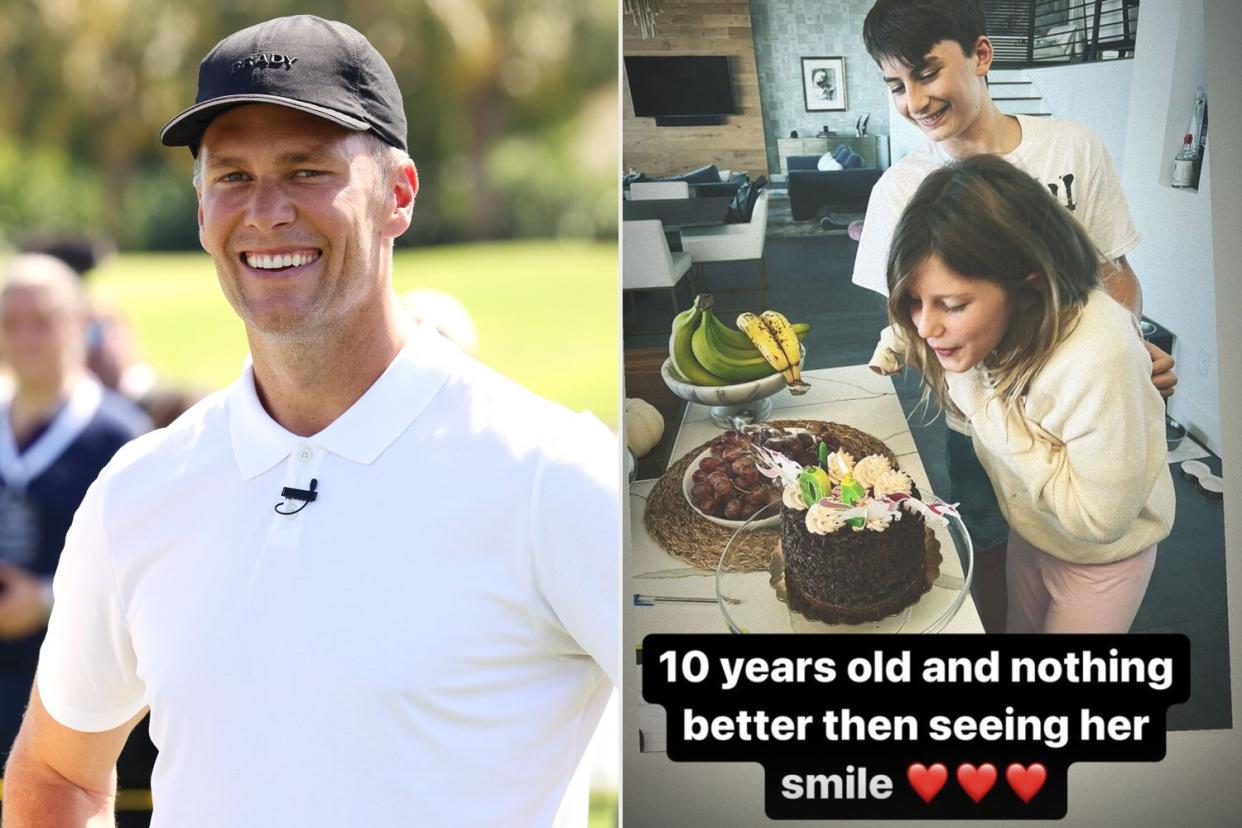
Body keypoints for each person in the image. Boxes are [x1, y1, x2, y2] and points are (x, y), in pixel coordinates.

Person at [3, 15, 618, 828]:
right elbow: (57, 774)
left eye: (305, 171)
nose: (265, 212)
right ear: (199, 210)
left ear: (398, 196)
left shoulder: (552, 473)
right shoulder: (139, 490)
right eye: (231, 177)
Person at [854, 0, 1176, 633]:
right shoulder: (900, 189)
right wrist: (968, 388)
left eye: (926, 73)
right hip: (976, 414)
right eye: (896, 85)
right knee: (997, 532)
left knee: (1079, 535)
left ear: (980, 55)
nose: (915, 100)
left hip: (1072, 408)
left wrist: (1127, 358)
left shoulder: (1071, 147)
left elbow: (1112, 276)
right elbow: (915, 324)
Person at [885, 154, 1174, 633]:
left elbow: (1097, 522)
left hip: (1100, 562)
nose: (927, 326)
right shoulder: (997, 325)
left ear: (1027, 286)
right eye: (916, 302)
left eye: (951, 305)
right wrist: (906, 333)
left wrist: (975, 393)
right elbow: (926, 318)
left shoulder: (1097, 356)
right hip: (1032, 530)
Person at [0, 255, 150, 761]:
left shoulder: (121, 436)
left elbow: (146, 569)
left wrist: (42, 599)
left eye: (42, 321)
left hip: (82, 694)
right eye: (10, 323)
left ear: (80, 325)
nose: (25, 338)